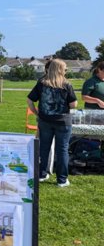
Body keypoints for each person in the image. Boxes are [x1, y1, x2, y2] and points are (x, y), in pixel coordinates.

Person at [27, 59, 78, 187]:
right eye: (65, 69)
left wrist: (36, 112)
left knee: (44, 148)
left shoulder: (42, 83)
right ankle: (62, 180)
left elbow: (29, 100)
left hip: (45, 121)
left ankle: (42, 174)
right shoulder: (67, 84)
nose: (66, 71)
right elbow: (73, 104)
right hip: (63, 121)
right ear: (60, 69)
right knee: (62, 150)